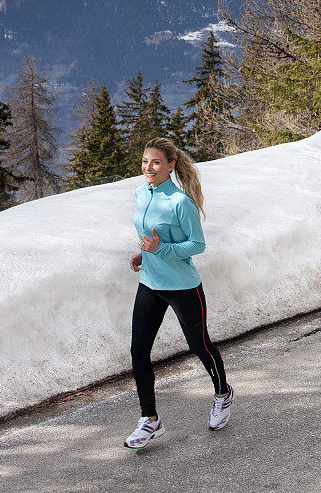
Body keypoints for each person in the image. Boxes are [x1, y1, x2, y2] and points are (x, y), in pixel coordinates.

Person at [123, 136, 234, 449]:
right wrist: (146, 255)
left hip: (183, 287)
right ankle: (150, 419)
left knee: (199, 345)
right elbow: (152, 235)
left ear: (171, 166)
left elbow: (196, 244)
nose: (149, 168)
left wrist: (162, 249)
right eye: (145, 162)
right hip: (150, 284)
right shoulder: (141, 192)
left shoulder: (180, 202)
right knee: (138, 351)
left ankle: (223, 395)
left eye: (156, 162)